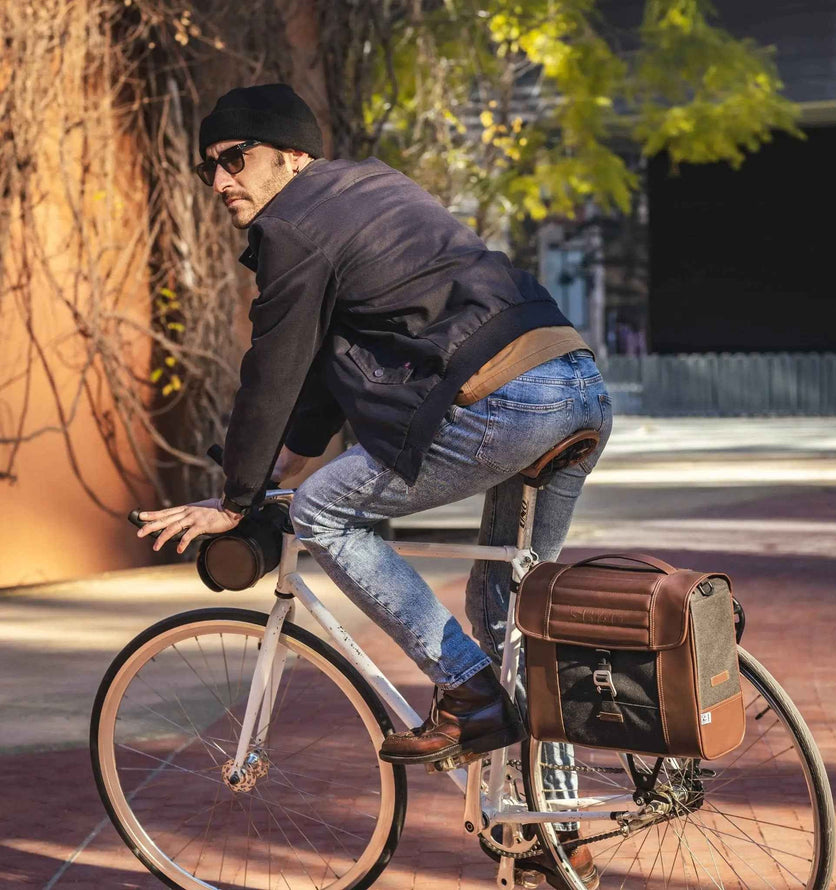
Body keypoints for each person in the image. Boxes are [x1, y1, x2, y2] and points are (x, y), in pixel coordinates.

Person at [136, 83, 611, 883]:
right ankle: (556, 836)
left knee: (323, 509)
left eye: (234, 159)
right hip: (576, 386)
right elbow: (326, 370)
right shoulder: (372, 191)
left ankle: (467, 692)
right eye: (208, 166)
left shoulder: (293, 225)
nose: (219, 180)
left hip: (506, 402)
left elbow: (274, 369)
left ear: (291, 156)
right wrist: (279, 468)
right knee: (510, 609)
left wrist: (237, 501)